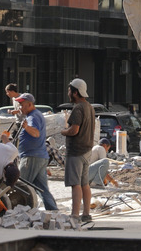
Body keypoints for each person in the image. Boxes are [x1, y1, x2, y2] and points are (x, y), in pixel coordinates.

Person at [14, 93, 59, 211]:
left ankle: (21, 212)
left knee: (22, 187)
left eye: (21, 105)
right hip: (39, 156)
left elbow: (36, 133)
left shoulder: (33, 116)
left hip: (31, 157)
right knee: (42, 188)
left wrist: (26, 128)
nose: (19, 107)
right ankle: (53, 211)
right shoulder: (34, 115)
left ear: (29, 104)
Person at [60, 78, 95, 222]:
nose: (68, 93)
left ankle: (74, 215)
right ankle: (86, 213)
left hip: (76, 151)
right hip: (87, 150)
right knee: (84, 183)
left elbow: (74, 130)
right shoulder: (90, 107)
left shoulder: (78, 108)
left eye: (69, 90)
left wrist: (64, 131)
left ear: (75, 92)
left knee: (75, 184)